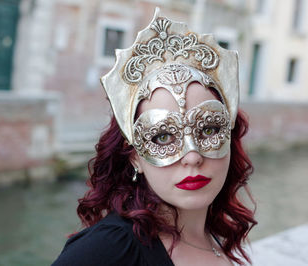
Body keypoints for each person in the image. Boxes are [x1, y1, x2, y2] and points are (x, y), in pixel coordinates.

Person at [52, 8, 256, 266]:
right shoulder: (107, 249)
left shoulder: (212, 234)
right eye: (162, 137)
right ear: (134, 156)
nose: (192, 157)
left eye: (208, 129)